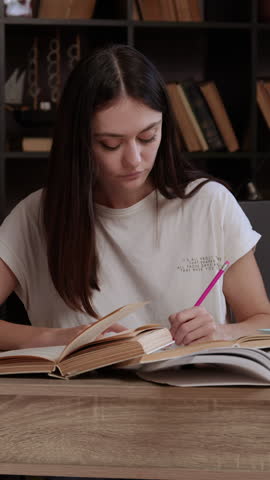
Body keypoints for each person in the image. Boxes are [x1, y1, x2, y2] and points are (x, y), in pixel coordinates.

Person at [0, 43, 270, 355]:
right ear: (79, 143)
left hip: (191, 398)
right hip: (77, 402)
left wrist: (223, 332)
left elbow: (263, 322)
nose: (134, 160)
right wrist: (56, 338)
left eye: (147, 137)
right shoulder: (37, 216)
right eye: (110, 144)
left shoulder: (210, 205)